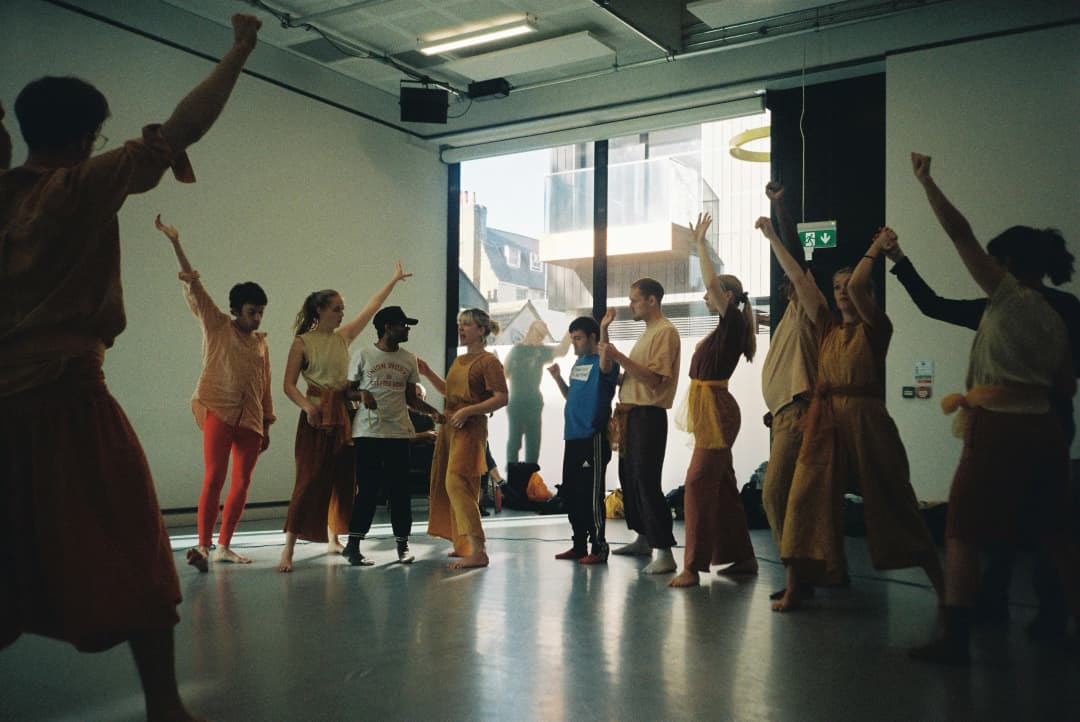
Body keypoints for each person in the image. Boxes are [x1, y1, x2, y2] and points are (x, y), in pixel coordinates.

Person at [0, 14, 260, 721]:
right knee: (134, 543)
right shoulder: (81, 185)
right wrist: (237, 52)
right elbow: (183, 127)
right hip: (69, 398)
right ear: (88, 135)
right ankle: (165, 705)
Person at [904, 152, 1079, 664]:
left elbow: (960, 235)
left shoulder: (1007, 299)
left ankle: (956, 637)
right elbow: (1065, 384)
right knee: (1058, 533)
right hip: (1045, 428)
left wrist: (927, 182)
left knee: (961, 531)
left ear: (1005, 266)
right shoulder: (1059, 314)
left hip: (998, 430)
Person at [755, 217, 945, 612]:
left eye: (848, 288)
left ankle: (946, 591)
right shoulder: (825, 326)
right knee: (804, 499)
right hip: (825, 420)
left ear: (866, 295)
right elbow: (798, 276)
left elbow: (860, 285)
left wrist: (876, 249)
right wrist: (773, 235)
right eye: (837, 287)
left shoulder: (876, 326)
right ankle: (796, 586)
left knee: (894, 498)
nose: (843, 292)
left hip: (866, 419)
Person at [156, 215, 274, 571]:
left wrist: (267, 423)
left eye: (261, 313)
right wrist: (176, 242)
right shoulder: (217, 324)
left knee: (242, 484)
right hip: (218, 410)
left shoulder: (262, 345)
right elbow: (194, 287)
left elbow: (264, 385)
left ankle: (225, 546)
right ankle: (203, 546)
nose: (257, 319)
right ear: (237, 309)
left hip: (251, 419)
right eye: (253, 312)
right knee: (214, 477)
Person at [277, 262, 412, 573]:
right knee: (309, 480)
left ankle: (334, 537)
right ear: (321, 311)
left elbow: (372, 306)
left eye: (342, 309)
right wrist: (307, 407)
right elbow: (287, 384)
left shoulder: (343, 336)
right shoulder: (302, 342)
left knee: (344, 479)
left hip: (345, 414)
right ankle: (288, 549)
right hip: (316, 417)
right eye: (336, 308)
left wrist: (392, 279)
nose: (341, 313)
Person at [670, 213, 759, 587]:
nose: (706, 294)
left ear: (728, 297)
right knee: (721, 484)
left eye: (712, 292)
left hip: (718, 411)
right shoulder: (726, 327)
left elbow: (710, 280)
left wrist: (700, 244)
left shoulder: (734, 321)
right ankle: (743, 557)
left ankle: (692, 566)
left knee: (696, 483)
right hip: (711, 409)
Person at [341, 306, 442, 566]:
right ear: (387, 327)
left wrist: (433, 413)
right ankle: (353, 545)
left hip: (398, 433)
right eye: (403, 325)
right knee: (368, 490)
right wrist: (362, 394)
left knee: (400, 491)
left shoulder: (408, 359)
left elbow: (411, 399)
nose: (407, 329)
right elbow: (347, 391)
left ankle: (402, 545)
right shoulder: (364, 354)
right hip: (368, 432)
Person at [758, 182, 820, 601]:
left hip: (799, 414)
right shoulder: (788, 319)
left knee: (778, 496)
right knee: (794, 501)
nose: (786, 284)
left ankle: (798, 578)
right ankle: (807, 575)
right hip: (784, 414)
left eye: (791, 283)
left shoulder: (812, 310)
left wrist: (781, 214)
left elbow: (796, 261)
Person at [601, 278, 682, 574]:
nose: (630, 305)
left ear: (652, 300)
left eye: (635, 299)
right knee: (629, 478)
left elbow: (654, 380)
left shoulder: (666, 332)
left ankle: (665, 551)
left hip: (648, 415)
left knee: (646, 481)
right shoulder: (648, 334)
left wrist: (618, 357)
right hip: (631, 414)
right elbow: (636, 377)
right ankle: (644, 537)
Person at [419, 309, 508, 568]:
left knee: (457, 482)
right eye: (460, 324)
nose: (461, 328)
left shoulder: (489, 362)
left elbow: (501, 397)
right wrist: (427, 373)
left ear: (481, 330)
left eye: (467, 325)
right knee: (451, 484)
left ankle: (478, 549)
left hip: (470, 429)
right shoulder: (459, 361)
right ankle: (464, 544)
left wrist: (469, 411)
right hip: (451, 427)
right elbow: (450, 391)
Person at [546, 316, 620, 564]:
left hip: (593, 437)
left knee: (591, 494)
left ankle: (598, 547)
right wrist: (557, 379)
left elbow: (607, 358)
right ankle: (579, 545)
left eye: (578, 338)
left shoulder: (604, 363)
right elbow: (572, 397)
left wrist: (604, 328)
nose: (574, 343)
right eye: (572, 338)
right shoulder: (577, 364)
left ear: (591, 338)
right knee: (573, 493)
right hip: (573, 438)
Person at [504, 319, 571, 464]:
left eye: (543, 335)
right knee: (514, 444)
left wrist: (571, 330)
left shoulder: (541, 351)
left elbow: (562, 350)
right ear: (531, 329)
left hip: (534, 403)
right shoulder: (516, 350)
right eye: (539, 333)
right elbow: (504, 373)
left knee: (533, 447)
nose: (540, 337)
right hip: (516, 403)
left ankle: (531, 481)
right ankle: (512, 480)